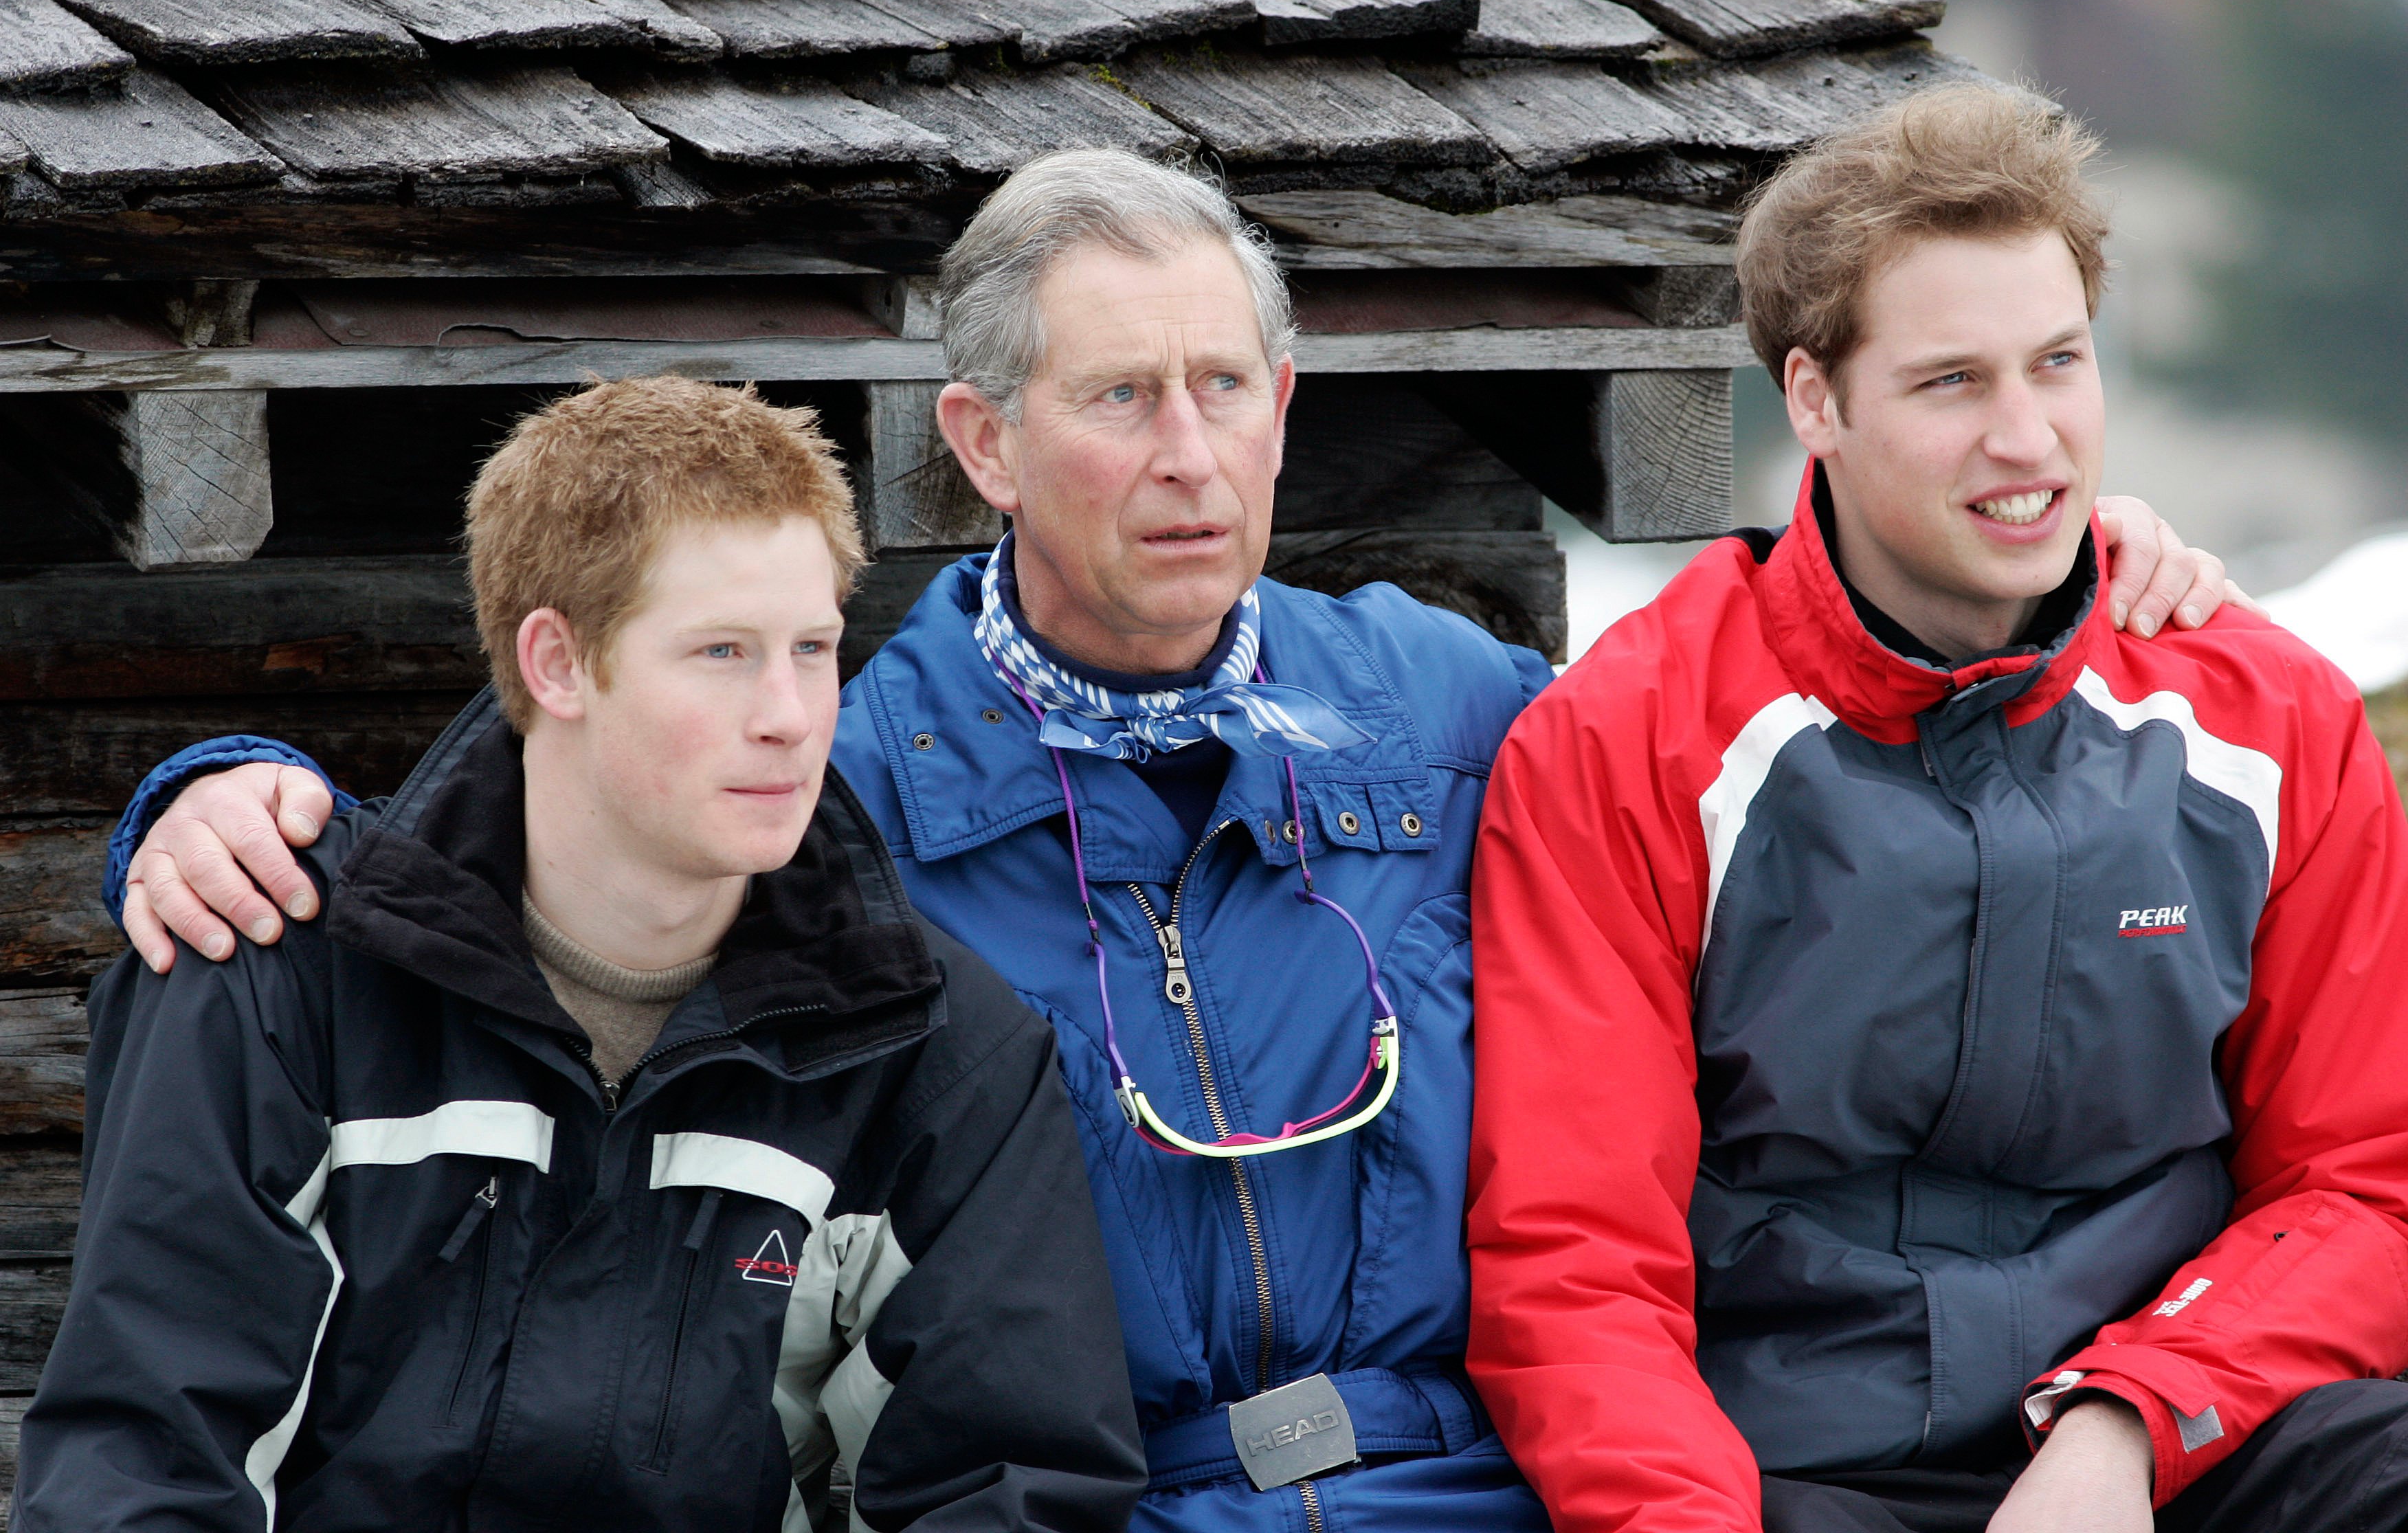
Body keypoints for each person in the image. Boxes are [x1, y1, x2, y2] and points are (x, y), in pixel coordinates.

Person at [102, 150, 2240, 1533]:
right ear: (980, 443)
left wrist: (2040, 572)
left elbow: (1777, 675)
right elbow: (544, 820)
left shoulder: (1448, 700)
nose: (1193, 455)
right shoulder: (843, 759)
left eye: (1230, 386)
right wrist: (213, 788)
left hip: (1475, 1488)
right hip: (1115, 1499)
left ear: (1291, 402)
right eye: (1123, 399)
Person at [1467, 85, 2408, 1533]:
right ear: (1814, 402)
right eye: (1953, 382)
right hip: (1793, 1471)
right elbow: (1576, 1261)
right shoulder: (1628, 741)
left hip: (2178, 1436)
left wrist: (2129, 1427)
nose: (2028, 437)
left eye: (2059, 362)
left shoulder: (2268, 718)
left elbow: (2368, 1183)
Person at [17, 378, 1144, 1532]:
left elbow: (1008, 1491)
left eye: (813, 648)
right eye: (720, 651)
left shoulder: (941, 1051)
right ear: (557, 663)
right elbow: (145, 1468)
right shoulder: (271, 974)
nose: (792, 714)